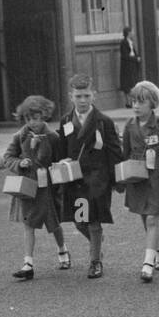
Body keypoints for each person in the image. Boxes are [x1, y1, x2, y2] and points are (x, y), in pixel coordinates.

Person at [57, 73, 122, 279]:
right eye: (78, 96)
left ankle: (95, 262)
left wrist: (117, 180)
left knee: (93, 220)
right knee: (79, 222)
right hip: (76, 180)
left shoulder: (104, 122)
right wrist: (62, 163)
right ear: (71, 96)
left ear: (94, 95)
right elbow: (62, 149)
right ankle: (97, 243)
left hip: (98, 179)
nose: (83, 100)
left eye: (86, 95)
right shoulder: (66, 121)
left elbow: (115, 152)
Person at [119, 81, 159, 282]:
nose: (136, 106)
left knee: (153, 217)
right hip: (138, 177)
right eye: (134, 101)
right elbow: (126, 153)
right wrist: (122, 177)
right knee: (144, 216)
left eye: (141, 102)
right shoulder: (129, 126)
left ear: (152, 103)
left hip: (158, 177)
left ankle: (148, 263)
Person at [4, 94, 70, 280]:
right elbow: (7, 158)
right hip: (27, 188)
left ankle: (62, 250)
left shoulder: (53, 137)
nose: (32, 122)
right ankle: (28, 263)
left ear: (44, 116)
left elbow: (59, 161)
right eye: (27, 118)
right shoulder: (20, 136)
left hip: (47, 189)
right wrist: (19, 163)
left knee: (54, 223)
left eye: (35, 118)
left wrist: (58, 176)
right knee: (28, 225)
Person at [118, 25, 142, 95]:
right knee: (128, 83)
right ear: (128, 33)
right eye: (131, 32)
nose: (133, 33)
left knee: (133, 81)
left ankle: (132, 100)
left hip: (132, 64)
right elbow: (125, 55)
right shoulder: (124, 42)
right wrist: (135, 59)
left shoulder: (130, 42)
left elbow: (133, 52)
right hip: (127, 65)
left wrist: (137, 57)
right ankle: (129, 101)